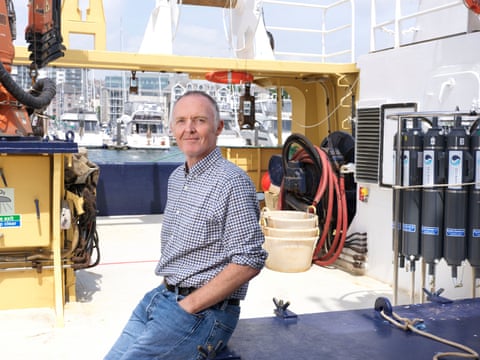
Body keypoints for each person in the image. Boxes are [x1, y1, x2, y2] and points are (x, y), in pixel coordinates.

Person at [104, 90, 267, 359]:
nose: (189, 129)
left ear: (218, 127)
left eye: (199, 120)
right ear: (172, 128)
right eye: (181, 121)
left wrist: (189, 305)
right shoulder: (177, 177)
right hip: (161, 297)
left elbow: (249, 260)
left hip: (204, 312)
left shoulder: (233, 183)